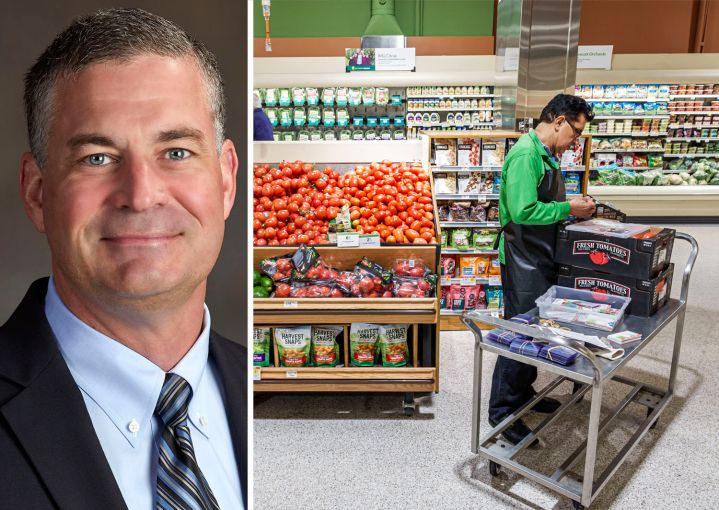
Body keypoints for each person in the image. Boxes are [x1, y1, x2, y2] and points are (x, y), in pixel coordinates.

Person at [0, 8, 247, 509]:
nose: (141, 195)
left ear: (225, 180)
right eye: (97, 158)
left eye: (176, 151)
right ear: (36, 192)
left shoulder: (261, 386)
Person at [489, 94, 596, 445]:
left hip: (539, 254)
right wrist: (568, 209)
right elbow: (521, 212)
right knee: (519, 334)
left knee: (536, 330)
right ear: (559, 121)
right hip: (522, 257)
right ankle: (503, 414)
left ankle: (523, 395)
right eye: (575, 132)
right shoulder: (525, 155)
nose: (576, 140)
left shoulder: (546, 153)